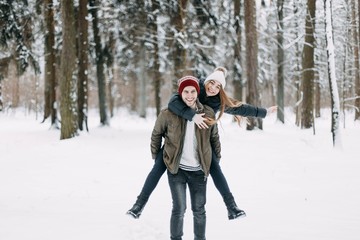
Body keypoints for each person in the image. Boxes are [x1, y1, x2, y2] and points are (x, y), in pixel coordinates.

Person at [127, 67, 277, 220]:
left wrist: (263, 112)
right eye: (212, 83)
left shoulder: (218, 101)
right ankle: (138, 206)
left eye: (218, 86)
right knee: (156, 170)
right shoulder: (193, 87)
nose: (213, 88)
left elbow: (241, 108)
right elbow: (173, 102)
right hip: (176, 141)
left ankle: (232, 207)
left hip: (200, 144)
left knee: (216, 170)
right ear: (206, 81)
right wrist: (193, 116)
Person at [151, 76, 220, 240]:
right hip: (177, 171)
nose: (190, 95)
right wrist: (158, 159)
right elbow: (156, 135)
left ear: (198, 92)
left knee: (199, 210)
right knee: (179, 209)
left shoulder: (208, 113)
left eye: (193, 91)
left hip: (199, 172)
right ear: (180, 94)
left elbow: (215, 139)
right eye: (186, 92)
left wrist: (212, 161)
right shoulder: (168, 114)